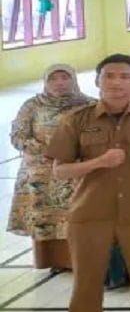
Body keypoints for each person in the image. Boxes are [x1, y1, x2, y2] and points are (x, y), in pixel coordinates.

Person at [47, 54, 130, 312]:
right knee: (87, 285)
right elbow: (60, 171)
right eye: (109, 76)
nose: (116, 83)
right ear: (97, 81)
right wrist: (98, 162)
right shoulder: (76, 120)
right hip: (90, 214)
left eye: (125, 76)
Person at [9, 64, 93, 271]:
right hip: (40, 173)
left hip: (73, 170)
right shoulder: (32, 106)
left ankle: (77, 261)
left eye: (65, 77)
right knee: (45, 217)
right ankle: (52, 260)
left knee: (74, 215)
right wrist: (45, 150)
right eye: (53, 79)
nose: (59, 83)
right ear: (46, 82)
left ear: (73, 79)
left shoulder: (88, 105)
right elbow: (18, 135)